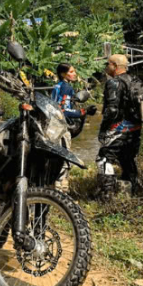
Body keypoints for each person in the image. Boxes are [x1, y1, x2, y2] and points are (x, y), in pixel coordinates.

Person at [96, 54, 143, 201]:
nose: (106, 67)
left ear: (115, 66)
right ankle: (131, 192)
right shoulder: (136, 80)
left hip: (119, 129)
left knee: (104, 158)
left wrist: (103, 129)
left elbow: (112, 110)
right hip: (135, 129)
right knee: (127, 159)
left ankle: (107, 194)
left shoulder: (114, 83)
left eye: (108, 64)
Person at [51, 63, 86, 192]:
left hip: (53, 125)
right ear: (63, 74)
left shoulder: (57, 86)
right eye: (71, 72)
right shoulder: (66, 88)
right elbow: (63, 110)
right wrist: (81, 113)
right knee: (65, 155)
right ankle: (61, 188)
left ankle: (53, 185)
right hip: (62, 125)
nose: (74, 74)